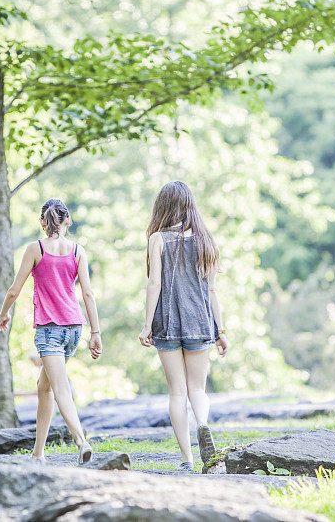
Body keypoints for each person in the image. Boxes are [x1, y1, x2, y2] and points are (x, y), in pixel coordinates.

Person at [0, 199, 102, 464]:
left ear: (42, 223)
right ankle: (38, 454)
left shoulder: (36, 248)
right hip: (74, 330)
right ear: (68, 220)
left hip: (50, 330)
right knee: (43, 388)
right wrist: (95, 332)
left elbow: (14, 289)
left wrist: (3, 313)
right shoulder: (78, 250)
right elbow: (87, 294)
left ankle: (81, 441)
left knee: (60, 388)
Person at [138, 181, 229, 472]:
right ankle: (203, 424)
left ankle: (187, 459)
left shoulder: (158, 239)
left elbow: (155, 284)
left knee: (177, 392)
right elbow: (213, 291)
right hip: (201, 321)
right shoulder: (206, 240)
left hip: (167, 322)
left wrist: (146, 326)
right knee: (198, 390)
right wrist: (221, 331)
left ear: (162, 206)